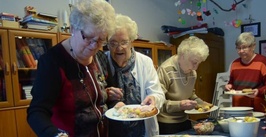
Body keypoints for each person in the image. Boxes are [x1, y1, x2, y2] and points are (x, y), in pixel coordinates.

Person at [27, 0, 115, 136]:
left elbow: (105, 95)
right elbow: (37, 111)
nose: (94, 46)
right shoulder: (53, 62)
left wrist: (116, 102)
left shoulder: (101, 57)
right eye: (88, 37)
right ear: (73, 28)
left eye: (101, 40)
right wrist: (54, 135)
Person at [96, 14, 165, 137]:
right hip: (111, 131)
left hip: (142, 131)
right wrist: (106, 93)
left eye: (124, 42)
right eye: (113, 43)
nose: (119, 48)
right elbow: (94, 96)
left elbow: (158, 93)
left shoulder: (145, 62)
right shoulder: (101, 61)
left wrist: (153, 99)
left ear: (132, 41)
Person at [156, 36, 212, 134]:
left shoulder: (192, 72)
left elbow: (191, 95)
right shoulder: (165, 70)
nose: (196, 68)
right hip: (166, 124)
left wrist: (201, 103)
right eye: (194, 62)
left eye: (199, 63)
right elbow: (158, 103)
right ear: (182, 55)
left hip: (185, 121)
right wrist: (180, 105)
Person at [225, 32, 266, 112]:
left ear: (253, 46)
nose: (241, 51)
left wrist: (258, 91)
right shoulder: (234, 64)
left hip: (258, 107)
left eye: (244, 47)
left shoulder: (263, 62)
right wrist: (229, 86)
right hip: (238, 108)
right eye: (238, 48)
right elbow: (232, 83)